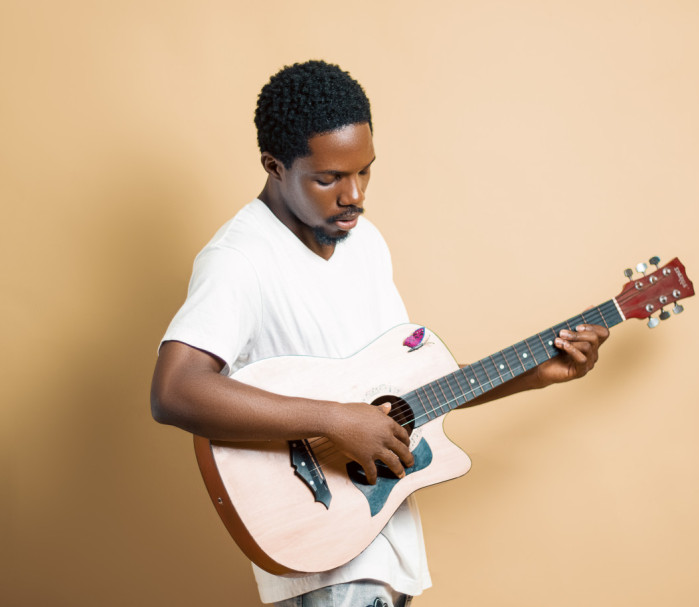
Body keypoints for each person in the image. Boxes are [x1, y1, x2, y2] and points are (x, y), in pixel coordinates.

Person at [150, 60, 608, 607]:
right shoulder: (240, 260)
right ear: (274, 166)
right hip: (323, 550)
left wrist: (538, 374)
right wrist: (334, 421)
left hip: (385, 543)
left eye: (365, 171)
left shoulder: (364, 244)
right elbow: (175, 391)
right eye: (329, 179)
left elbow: (402, 400)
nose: (355, 196)